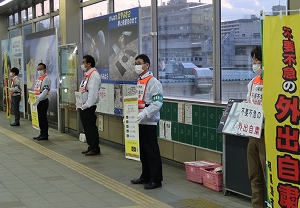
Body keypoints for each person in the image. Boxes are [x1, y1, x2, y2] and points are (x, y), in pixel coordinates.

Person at [130, 54, 163, 189]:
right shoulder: (139, 81)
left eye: (139, 63)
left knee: (151, 152)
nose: (137, 65)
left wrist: (145, 113)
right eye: (135, 63)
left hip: (149, 122)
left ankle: (156, 179)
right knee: (143, 151)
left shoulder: (153, 82)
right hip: (139, 121)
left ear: (147, 65)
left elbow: (157, 102)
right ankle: (145, 176)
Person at [247, 46, 266, 208]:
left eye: (256, 60)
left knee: (269, 175)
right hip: (253, 132)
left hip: (267, 133)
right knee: (255, 175)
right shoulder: (253, 82)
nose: (253, 64)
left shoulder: (275, 82)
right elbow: (249, 103)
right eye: (253, 60)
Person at [79, 55, 101, 156]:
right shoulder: (87, 75)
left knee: (91, 126)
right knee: (86, 126)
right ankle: (90, 146)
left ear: (89, 64)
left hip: (89, 105)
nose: (82, 64)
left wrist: (88, 104)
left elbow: (93, 92)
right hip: (83, 104)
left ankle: (95, 147)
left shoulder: (94, 75)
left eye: (84, 62)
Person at [32, 63, 51, 141]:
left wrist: (39, 99)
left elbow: (45, 91)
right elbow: (36, 89)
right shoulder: (39, 78)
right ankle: (41, 133)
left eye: (41, 69)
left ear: (45, 69)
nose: (39, 71)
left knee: (43, 118)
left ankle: (45, 134)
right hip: (37, 100)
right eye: (38, 69)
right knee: (39, 117)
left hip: (43, 101)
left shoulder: (46, 78)